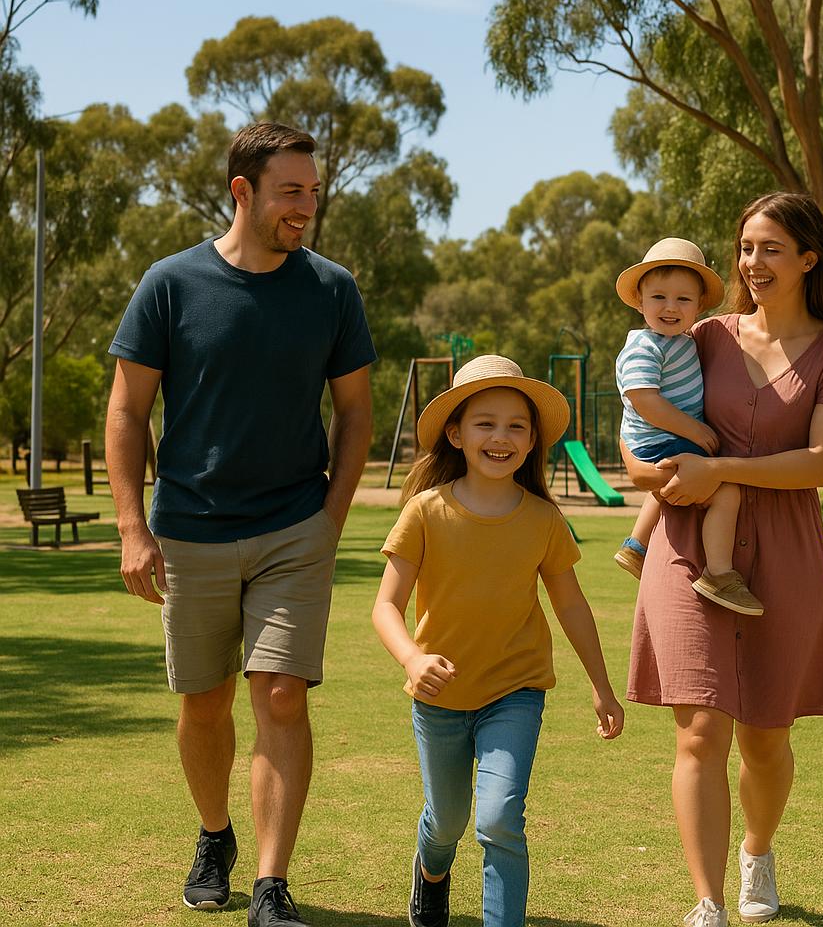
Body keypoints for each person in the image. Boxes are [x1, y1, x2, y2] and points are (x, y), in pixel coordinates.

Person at [105, 122, 376, 927]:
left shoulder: (332, 289)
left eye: (313, 192)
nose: (307, 206)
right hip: (190, 528)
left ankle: (270, 885)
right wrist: (131, 525)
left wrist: (330, 516)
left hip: (295, 525)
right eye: (292, 191)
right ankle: (214, 836)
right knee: (202, 704)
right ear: (243, 192)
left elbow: (355, 414)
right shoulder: (170, 285)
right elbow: (127, 409)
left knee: (284, 696)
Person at [621, 193, 823, 927]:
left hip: (785, 550)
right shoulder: (702, 334)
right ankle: (706, 901)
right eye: (744, 248)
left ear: (808, 258)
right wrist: (658, 477)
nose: (752, 263)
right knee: (700, 728)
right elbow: (634, 425)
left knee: (766, 736)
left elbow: (818, 464)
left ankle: (757, 851)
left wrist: (724, 473)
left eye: (770, 248)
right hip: (686, 540)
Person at [372, 354, 624, 927]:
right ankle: (431, 872)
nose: (501, 437)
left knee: (500, 818)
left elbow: (572, 606)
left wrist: (602, 688)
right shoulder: (424, 512)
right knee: (448, 820)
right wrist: (412, 658)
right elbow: (385, 605)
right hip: (439, 697)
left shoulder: (543, 520)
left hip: (516, 689)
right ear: (456, 434)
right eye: (485, 423)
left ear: (533, 440)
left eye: (517, 425)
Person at [613, 238, 762, 617]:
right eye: (659, 297)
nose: (670, 307)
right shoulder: (645, 346)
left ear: (699, 305)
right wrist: (694, 430)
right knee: (726, 493)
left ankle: (636, 545)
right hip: (660, 439)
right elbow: (644, 400)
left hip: (666, 439)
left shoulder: (683, 342)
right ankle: (719, 572)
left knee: (664, 489)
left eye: (683, 299)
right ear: (639, 301)